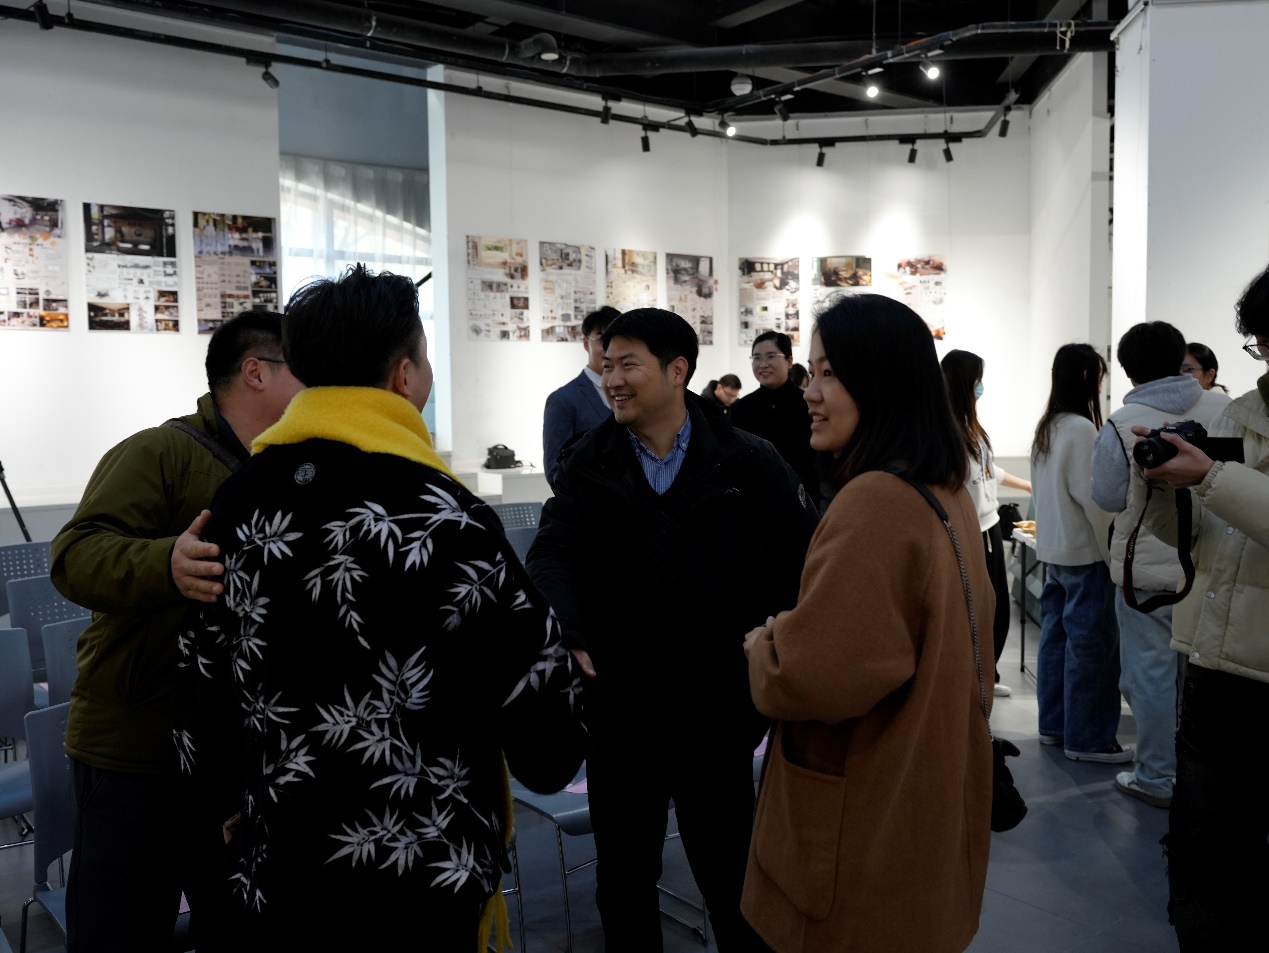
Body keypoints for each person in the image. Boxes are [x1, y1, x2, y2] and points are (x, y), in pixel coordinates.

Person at [177, 265, 586, 950]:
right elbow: (540, 719)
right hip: (421, 874)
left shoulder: (237, 502)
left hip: (281, 865)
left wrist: (223, 801)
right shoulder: (442, 513)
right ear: (403, 375)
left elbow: (200, 679)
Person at [527, 308, 817, 953]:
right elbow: (553, 552)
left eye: (628, 365)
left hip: (717, 708)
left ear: (676, 370)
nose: (612, 380)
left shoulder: (747, 462)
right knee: (624, 882)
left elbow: (804, 557)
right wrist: (569, 627)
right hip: (620, 707)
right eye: (607, 365)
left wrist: (773, 646)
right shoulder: (589, 463)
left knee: (734, 878)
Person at [741, 294, 994, 953]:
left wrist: (765, 645)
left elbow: (815, 675)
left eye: (829, 373)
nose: (809, 391)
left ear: (881, 381)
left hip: (865, 827)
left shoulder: (876, 500)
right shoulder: (945, 489)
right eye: (812, 372)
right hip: (926, 799)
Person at [50, 311, 304, 953]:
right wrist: (165, 562)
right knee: (121, 933)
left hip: (227, 760)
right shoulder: (158, 452)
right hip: (138, 748)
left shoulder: (286, 470)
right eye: (303, 370)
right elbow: (73, 554)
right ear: (256, 372)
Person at [1133, 266, 1269, 949]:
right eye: (1262, 343)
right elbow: (1201, 541)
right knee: (1200, 854)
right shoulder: (1237, 412)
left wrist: (1211, 476)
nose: (1267, 358)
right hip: (1214, 670)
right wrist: (1163, 489)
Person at [1089, 321, 1230, 809]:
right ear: (1180, 359)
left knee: (1148, 675)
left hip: (1145, 572)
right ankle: (1204, 778)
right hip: (1212, 564)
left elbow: (1108, 496)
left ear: (1128, 371)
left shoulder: (1123, 422)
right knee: (1206, 680)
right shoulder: (1225, 408)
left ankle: (1155, 776)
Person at [1030, 344, 1131, 762]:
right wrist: (1114, 556)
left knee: (1056, 641)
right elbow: (1096, 503)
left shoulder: (1048, 425)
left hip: (1054, 551)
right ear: (1089, 377)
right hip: (1085, 555)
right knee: (1092, 649)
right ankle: (1088, 739)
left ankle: (1055, 726)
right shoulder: (1082, 429)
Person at [941, 349, 1033, 697]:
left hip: (989, 526)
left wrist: (1026, 485)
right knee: (979, 607)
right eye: (977, 380)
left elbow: (989, 469)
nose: (981, 386)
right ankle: (974, 679)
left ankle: (985, 675)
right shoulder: (946, 429)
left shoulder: (971, 426)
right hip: (970, 531)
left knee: (995, 606)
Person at [731, 331, 819, 496]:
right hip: (755, 499)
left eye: (771, 356)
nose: (763, 364)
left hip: (803, 497)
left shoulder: (808, 404)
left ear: (789, 361)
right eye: (757, 358)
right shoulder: (740, 408)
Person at [542, 305, 619, 487]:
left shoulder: (634, 393)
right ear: (586, 344)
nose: (609, 348)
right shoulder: (563, 400)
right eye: (602, 339)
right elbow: (555, 471)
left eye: (616, 339)